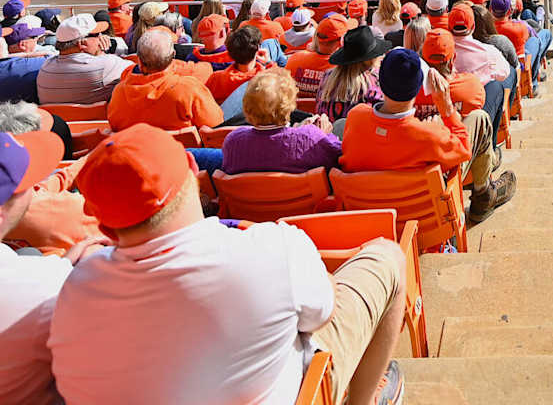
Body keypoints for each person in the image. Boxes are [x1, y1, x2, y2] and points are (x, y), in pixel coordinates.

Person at [50, 124, 407, 405]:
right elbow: (323, 312)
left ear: (105, 226)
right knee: (387, 256)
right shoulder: (272, 248)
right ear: (193, 169)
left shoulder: (69, 295)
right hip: (302, 387)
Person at [341, 46, 516, 224]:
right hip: (426, 220)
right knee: (480, 118)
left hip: (371, 216)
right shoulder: (430, 135)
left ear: (380, 81)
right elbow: (464, 150)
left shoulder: (355, 118)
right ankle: (484, 196)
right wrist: (447, 111)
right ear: (419, 86)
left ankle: (486, 188)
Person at [0, 128, 76, 405]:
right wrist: (63, 271)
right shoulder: (47, 287)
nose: (36, 186)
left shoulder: (42, 278)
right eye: (28, 183)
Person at [221, 72, 341, 174]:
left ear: (247, 106)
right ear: (289, 106)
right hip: (303, 201)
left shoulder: (233, 142)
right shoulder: (311, 138)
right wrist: (322, 134)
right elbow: (339, 158)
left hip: (247, 200)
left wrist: (301, 130)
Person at [107, 29, 224, 132]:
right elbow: (215, 125)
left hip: (137, 153)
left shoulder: (118, 93)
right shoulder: (189, 88)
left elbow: (115, 126)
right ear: (173, 56)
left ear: (140, 62)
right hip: (185, 154)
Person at [36, 13, 128, 105]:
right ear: (82, 44)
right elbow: (139, 68)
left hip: (55, 118)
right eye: (97, 34)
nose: (101, 37)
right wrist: (101, 53)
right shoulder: (107, 65)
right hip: (98, 119)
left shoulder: (45, 67)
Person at [316, 24, 388, 125]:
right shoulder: (375, 83)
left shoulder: (327, 77)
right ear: (372, 58)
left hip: (326, 137)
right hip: (359, 138)